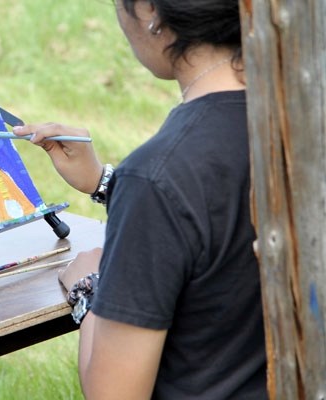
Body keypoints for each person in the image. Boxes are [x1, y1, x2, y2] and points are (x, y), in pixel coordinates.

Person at [13, 0, 267, 399]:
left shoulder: (158, 177)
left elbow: (113, 394)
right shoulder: (294, 119)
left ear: (150, 11)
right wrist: (106, 183)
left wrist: (87, 288)